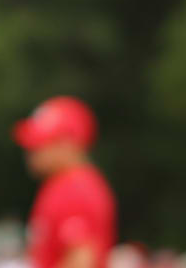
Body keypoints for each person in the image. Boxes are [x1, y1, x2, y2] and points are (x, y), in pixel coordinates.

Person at [13, 96, 116, 268]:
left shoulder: (77, 188)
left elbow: (82, 260)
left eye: (40, 143)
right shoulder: (61, 184)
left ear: (67, 143)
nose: (31, 152)